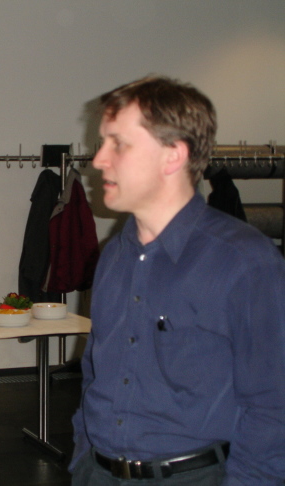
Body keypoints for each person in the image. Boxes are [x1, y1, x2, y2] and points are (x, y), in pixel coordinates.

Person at [70, 76, 285, 485]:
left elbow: (274, 406)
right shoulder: (113, 254)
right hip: (97, 473)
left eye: (118, 144)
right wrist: (83, 458)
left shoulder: (245, 262)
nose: (98, 160)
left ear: (173, 156)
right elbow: (96, 369)